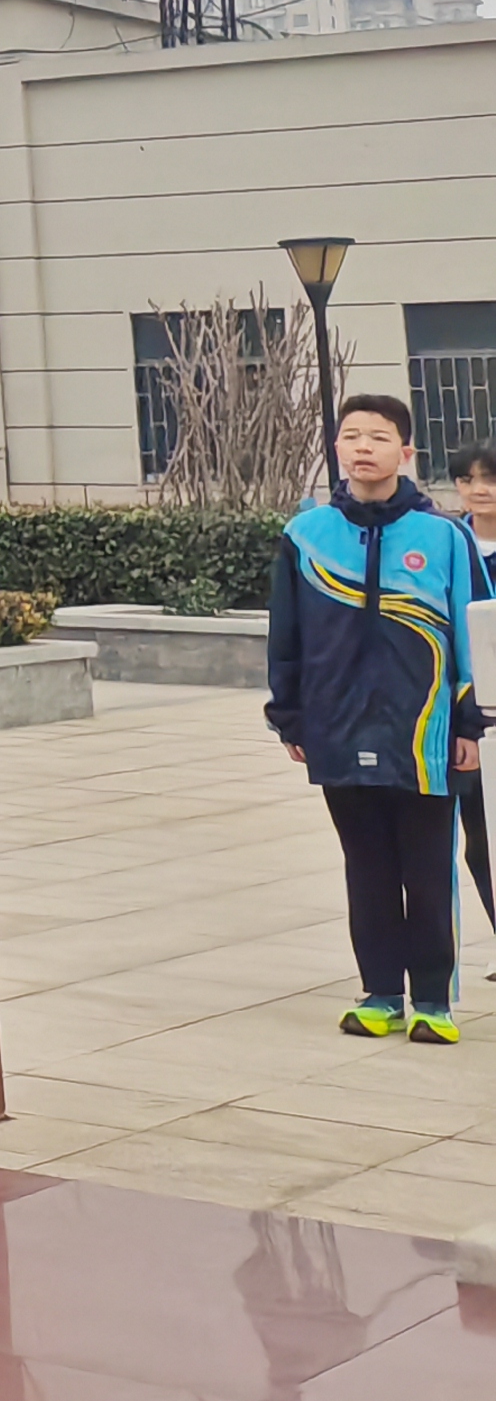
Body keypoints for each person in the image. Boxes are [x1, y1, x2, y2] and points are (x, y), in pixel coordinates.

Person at [269, 395, 484, 1044]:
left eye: (379, 437)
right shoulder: (305, 536)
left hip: (425, 734)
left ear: (406, 452)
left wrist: (471, 724)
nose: (364, 447)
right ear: (337, 447)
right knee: (365, 868)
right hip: (337, 728)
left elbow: (476, 633)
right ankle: (381, 994)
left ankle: (433, 1001)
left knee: (427, 870)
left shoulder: (445, 537)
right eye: (352, 435)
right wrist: (291, 717)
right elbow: (286, 636)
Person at [442, 447, 496, 931]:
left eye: (491, 479)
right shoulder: (447, 545)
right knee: (482, 841)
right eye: (468, 479)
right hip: (472, 715)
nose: (480, 490)